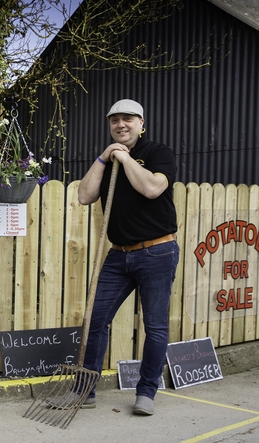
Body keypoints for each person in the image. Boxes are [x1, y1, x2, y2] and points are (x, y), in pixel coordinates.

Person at [74, 99, 179, 415]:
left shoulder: (159, 153)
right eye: (115, 120)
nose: (121, 124)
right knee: (95, 320)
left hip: (157, 250)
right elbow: (83, 195)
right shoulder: (107, 161)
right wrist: (105, 156)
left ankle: (146, 392)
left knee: (155, 326)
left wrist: (125, 156)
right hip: (118, 255)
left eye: (128, 119)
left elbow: (151, 189)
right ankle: (85, 390)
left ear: (141, 123)